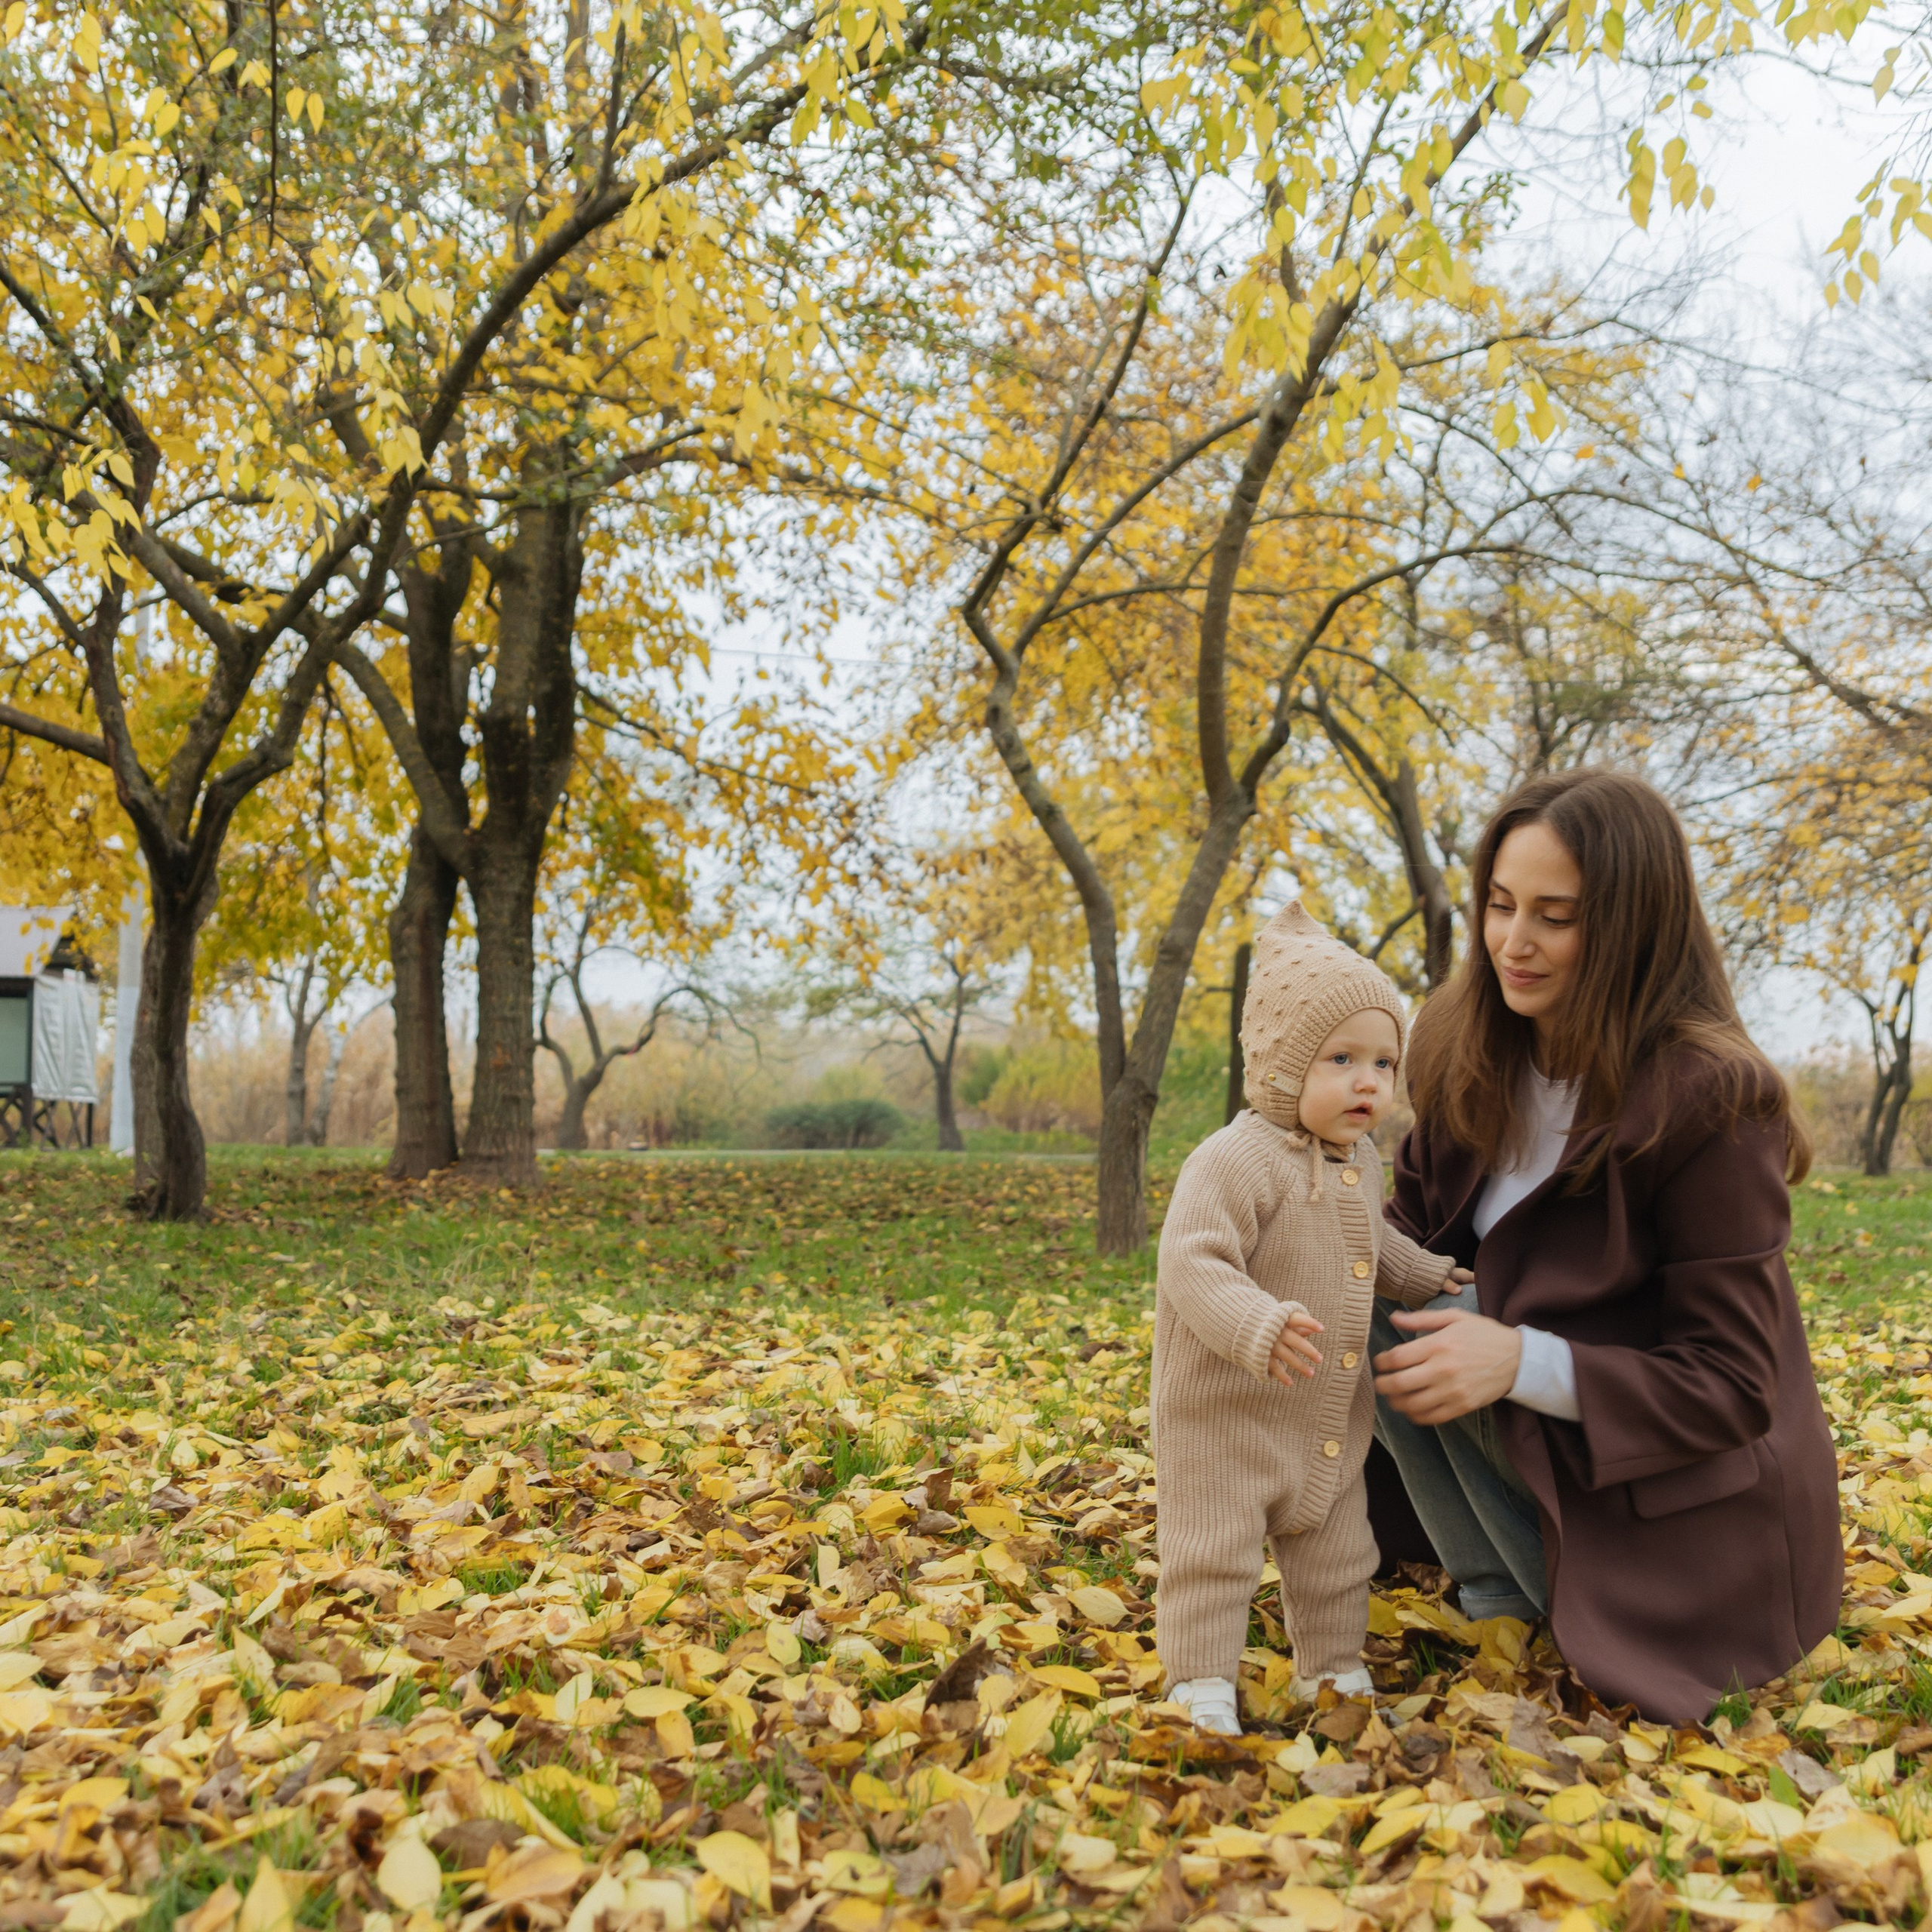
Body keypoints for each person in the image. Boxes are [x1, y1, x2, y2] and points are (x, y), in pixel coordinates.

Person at [1371, 768, 1841, 1724]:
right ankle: (1496, 1593)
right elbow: (1400, 1243)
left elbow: (1735, 1385)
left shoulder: (1712, 1098)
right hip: (1531, 1469)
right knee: (1360, 1292)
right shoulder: (1459, 1040)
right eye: (1500, 905)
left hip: (1681, 1511)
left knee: (1448, 1322)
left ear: (1631, 925)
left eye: (1556, 916)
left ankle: (1549, 1599)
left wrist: (1518, 1360)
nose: (1514, 942)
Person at [1153, 903, 1469, 1734]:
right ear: (1281, 1064)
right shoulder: (1234, 1158)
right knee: (1213, 1559)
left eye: (1382, 1062)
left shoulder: (1360, 1160)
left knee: (1338, 1556)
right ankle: (1199, 1684)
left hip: (1322, 1423)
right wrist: (1255, 1325)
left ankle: (1330, 1670)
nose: (1367, 1081)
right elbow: (1192, 1260)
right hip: (1223, 1421)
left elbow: (1374, 1250)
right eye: (1340, 1059)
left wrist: (1427, 1275)